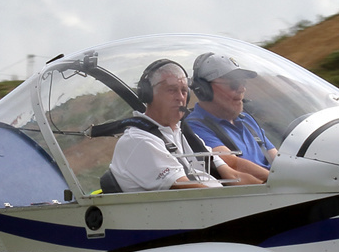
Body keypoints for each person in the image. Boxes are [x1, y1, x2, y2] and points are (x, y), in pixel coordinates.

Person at [108, 60, 255, 192]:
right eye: (171, 90)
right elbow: (191, 192)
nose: (180, 97)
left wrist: (268, 187)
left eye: (184, 91)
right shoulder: (139, 141)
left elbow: (232, 174)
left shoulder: (183, 135)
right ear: (148, 94)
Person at [187, 51, 277, 182]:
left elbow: (276, 158)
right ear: (204, 89)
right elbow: (231, 163)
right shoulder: (194, 126)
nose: (242, 89)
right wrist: (282, 182)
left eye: (243, 83)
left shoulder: (246, 120)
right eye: (234, 84)